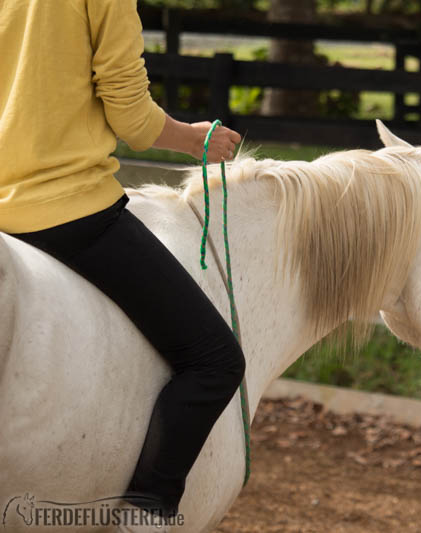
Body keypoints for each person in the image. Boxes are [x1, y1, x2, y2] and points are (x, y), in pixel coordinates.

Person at [0, 0, 245, 524]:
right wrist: (196, 138)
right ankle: (146, 511)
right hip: (69, 211)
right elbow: (131, 116)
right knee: (215, 361)